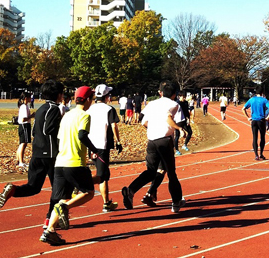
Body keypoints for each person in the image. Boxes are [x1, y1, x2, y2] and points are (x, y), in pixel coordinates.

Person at [0, 80, 64, 230]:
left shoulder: (40, 109)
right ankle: (49, 220)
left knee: (33, 187)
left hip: (37, 153)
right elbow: (48, 130)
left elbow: (34, 132)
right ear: (59, 95)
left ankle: (13, 190)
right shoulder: (54, 109)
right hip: (51, 154)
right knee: (57, 189)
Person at [39, 86, 101, 245]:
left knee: (61, 198)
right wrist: (94, 150)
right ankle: (65, 208)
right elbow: (82, 135)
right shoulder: (84, 115)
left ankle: (49, 231)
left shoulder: (66, 115)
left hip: (60, 163)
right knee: (88, 192)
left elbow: (60, 138)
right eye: (91, 99)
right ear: (87, 100)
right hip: (75, 163)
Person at [121, 81, 186, 214]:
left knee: (151, 171)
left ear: (161, 92)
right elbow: (170, 119)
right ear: (174, 94)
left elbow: (143, 121)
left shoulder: (152, 104)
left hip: (151, 140)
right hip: (165, 140)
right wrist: (180, 128)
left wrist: (153, 127)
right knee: (171, 173)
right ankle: (176, 202)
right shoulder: (174, 105)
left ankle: (131, 190)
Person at [87, 84, 123, 212]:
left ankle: (106, 202)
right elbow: (114, 126)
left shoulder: (89, 109)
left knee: (103, 174)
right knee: (102, 175)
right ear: (107, 96)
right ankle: (80, 184)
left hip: (90, 144)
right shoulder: (109, 109)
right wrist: (118, 141)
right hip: (102, 145)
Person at [242, 86, 269, 160]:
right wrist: (268, 116)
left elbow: (243, 108)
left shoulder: (251, 99)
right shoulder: (264, 100)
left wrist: (248, 117)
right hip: (261, 120)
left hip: (254, 121)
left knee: (254, 137)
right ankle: (261, 154)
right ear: (262, 92)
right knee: (262, 137)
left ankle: (256, 155)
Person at [17, 92, 35, 168]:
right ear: (25, 98)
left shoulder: (25, 106)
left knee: (22, 143)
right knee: (23, 143)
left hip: (24, 125)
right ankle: (21, 161)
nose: (31, 99)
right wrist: (32, 116)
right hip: (24, 125)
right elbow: (24, 119)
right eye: (29, 97)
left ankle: (18, 160)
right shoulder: (24, 106)